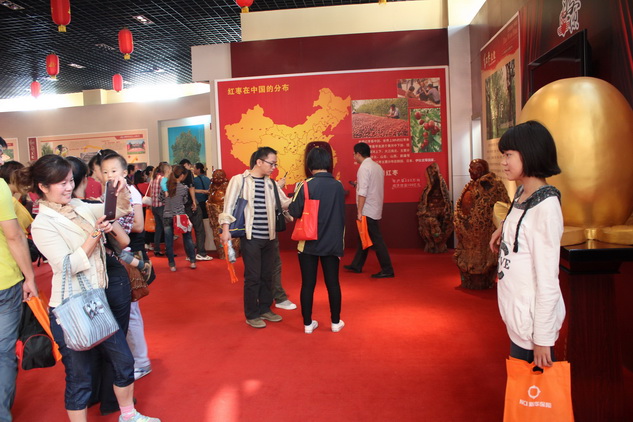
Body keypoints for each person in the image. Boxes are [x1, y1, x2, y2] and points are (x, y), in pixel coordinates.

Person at [24, 154, 159, 422]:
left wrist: (119, 190)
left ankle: (128, 415)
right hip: (71, 307)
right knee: (80, 377)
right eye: (61, 183)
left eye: (70, 181)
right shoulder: (42, 224)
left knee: (124, 361)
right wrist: (95, 234)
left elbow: (116, 212)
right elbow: (68, 265)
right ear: (43, 186)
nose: (68, 188)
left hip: (97, 301)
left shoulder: (78, 205)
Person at [489, 120, 565, 368]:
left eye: (508, 155)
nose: (503, 162)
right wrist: (503, 228)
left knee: (533, 389)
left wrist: (543, 338)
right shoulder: (523, 194)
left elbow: (548, 279)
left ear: (530, 153)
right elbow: (522, 222)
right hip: (518, 318)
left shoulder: (546, 208)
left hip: (532, 327)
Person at [219, 147, 290, 329]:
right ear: (259, 162)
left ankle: (265, 308)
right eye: (271, 163)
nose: (273, 167)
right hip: (251, 237)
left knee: (268, 275)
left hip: (270, 237)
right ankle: (251, 314)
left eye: (275, 164)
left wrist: (302, 193)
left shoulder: (271, 184)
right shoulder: (240, 180)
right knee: (253, 276)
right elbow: (229, 206)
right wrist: (225, 230)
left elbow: (284, 203)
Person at [0, 137, 38, 422]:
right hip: (4, 281)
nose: (2, 160)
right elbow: (14, 235)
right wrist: (30, 277)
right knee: (3, 353)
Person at [288, 147, 345, 334]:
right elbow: (341, 215)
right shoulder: (338, 186)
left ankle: (307, 324)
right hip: (332, 242)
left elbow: (294, 211)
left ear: (309, 164)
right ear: (328, 163)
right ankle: (335, 322)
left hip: (308, 242)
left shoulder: (305, 185)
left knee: (308, 284)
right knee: (333, 283)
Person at [344, 142, 394, 278]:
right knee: (363, 237)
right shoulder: (377, 167)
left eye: (354, 154)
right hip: (375, 206)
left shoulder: (363, 168)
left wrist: (359, 211)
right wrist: (358, 184)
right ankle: (357, 265)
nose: (354, 157)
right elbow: (372, 186)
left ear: (358, 154)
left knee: (376, 239)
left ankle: (387, 269)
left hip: (367, 209)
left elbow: (363, 192)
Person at [162, 164, 196, 271]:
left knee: (169, 241)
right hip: (180, 215)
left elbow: (161, 198)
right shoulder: (183, 188)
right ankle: (192, 261)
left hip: (167, 215)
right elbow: (185, 201)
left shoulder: (166, 187)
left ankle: (172, 264)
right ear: (181, 175)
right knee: (187, 237)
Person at [179, 159, 211, 261]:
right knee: (199, 229)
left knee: (186, 231)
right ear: (187, 165)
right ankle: (201, 253)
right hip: (191, 205)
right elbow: (191, 188)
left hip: (181, 206)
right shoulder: (189, 174)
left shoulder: (175, 175)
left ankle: (189, 254)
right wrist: (194, 201)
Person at [148, 163, 170, 257]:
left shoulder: (153, 178)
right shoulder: (163, 179)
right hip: (162, 206)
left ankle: (156, 249)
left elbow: (151, 193)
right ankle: (168, 249)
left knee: (158, 228)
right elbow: (166, 193)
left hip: (154, 206)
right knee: (167, 228)